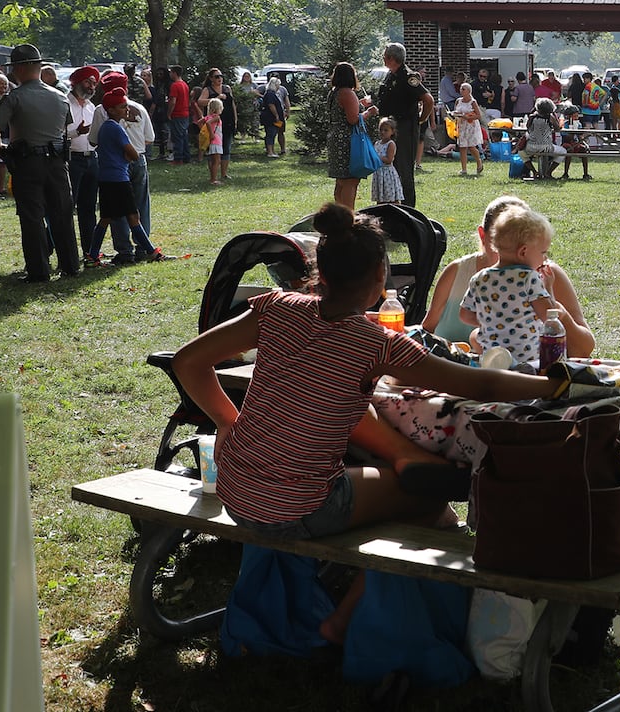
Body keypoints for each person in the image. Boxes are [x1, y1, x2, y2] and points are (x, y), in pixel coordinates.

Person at [171, 203, 562, 641]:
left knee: (391, 467)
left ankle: (399, 474)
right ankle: (347, 623)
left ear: (323, 269)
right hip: (299, 509)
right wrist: (555, 387)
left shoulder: (274, 308)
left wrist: (230, 423)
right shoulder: (375, 343)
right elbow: (481, 386)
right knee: (428, 497)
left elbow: (187, 362)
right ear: (381, 276)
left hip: (235, 490)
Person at [421, 195, 595, 356]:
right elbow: (426, 330)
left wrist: (559, 312)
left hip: (502, 371)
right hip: (468, 371)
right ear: (483, 236)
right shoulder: (458, 272)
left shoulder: (545, 273)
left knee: (477, 337)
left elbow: (584, 349)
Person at [0, 44, 82, 281]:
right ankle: (70, 265)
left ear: (19, 69)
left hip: (27, 163)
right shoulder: (60, 97)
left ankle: (39, 270)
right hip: (57, 162)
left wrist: (1, 150)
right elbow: (64, 128)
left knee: (32, 216)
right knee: (62, 213)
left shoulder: (13, 98)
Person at [459, 204, 556, 365]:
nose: (544, 258)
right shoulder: (529, 278)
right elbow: (549, 316)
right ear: (523, 252)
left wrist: (495, 322)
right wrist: (549, 286)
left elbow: (465, 315)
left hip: (492, 361)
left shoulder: (479, 278)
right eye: (543, 253)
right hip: (528, 361)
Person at [86, 87, 164, 263]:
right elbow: (134, 153)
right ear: (111, 110)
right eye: (122, 107)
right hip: (119, 179)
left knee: (106, 218)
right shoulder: (116, 128)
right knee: (133, 216)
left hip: (106, 178)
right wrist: (127, 157)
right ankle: (151, 251)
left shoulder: (105, 128)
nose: (126, 108)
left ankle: (92, 254)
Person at [377, 44, 432, 206]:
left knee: (404, 170)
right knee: (390, 168)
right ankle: (391, 204)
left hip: (404, 128)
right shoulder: (390, 76)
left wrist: (421, 119)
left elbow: (428, 100)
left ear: (392, 58)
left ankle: (408, 208)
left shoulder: (408, 77)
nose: (383, 58)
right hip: (389, 127)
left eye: (385, 56)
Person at [326, 62, 377, 210]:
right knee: (350, 180)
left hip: (335, 136)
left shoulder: (334, 92)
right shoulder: (347, 92)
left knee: (340, 180)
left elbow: (343, 109)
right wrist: (369, 112)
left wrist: (360, 104)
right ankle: (348, 214)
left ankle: (339, 213)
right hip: (348, 139)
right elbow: (353, 119)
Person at [66, 67, 101, 264]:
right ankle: (61, 250)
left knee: (88, 208)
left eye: (94, 83)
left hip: (91, 158)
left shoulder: (91, 106)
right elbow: (59, 134)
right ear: (76, 83)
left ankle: (90, 251)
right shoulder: (64, 103)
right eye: (88, 82)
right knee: (66, 207)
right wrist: (76, 133)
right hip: (72, 159)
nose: (91, 86)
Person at [194, 68, 237, 182]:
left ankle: (224, 173)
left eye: (221, 76)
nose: (220, 78)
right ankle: (213, 176)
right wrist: (216, 99)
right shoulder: (208, 89)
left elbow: (232, 104)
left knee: (226, 148)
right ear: (211, 78)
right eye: (217, 76)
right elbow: (200, 102)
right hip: (214, 124)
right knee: (214, 151)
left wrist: (235, 119)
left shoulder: (227, 89)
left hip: (227, 122)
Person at [452, 82, 486, 176]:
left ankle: (479, 161)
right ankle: (464, 169)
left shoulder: (473, 102)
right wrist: (455, 114)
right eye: (461, 89)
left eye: (463, 89)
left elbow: (479, 115)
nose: (461, 91)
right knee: (462, 147)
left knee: (471, 146)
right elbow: (456, 111)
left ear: (469, 91)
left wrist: (468, 117)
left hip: (471, 126)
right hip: (462, 125)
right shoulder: (458, 101)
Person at [371, 118, 405, 204]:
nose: (383, 132)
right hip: (378, 173)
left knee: (391, 197)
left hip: (387, 174)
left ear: (392, 132)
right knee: (380, 196)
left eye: (386, 130)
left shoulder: (391, 144)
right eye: (381, 130)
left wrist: (377, 157)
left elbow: (389, 160)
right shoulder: (377, 143)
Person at [167, 66, 191, 164]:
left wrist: (169, 113)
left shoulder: (175, 85)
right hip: (185, 113)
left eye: (171, 72)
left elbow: (173, 101)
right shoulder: (185, 84)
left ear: (174, 73)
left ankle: (178, 158)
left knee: (177, 137)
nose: (170, 74)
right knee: (184, 136)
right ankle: (186, 156)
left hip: (177, 113)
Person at [200, 97, 225, 185]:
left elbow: (200, 122)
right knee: (217, 161)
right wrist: (211, 133)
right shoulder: (216, 117)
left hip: (210, 142)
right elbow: (208, 123)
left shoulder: (207, 117)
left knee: (211, 160)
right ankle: (213, 179)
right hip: (216, 140)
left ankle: (212, 177)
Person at [260, 77, 286, 157]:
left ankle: (272, 150)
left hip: (276, 119)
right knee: (271, 133)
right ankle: (270, 152)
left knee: (277, 132)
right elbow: (271, 105)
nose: (279, 87)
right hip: (271, 118)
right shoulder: (270, 94)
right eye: (278, 85)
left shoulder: (272, 93)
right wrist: (276, 115)